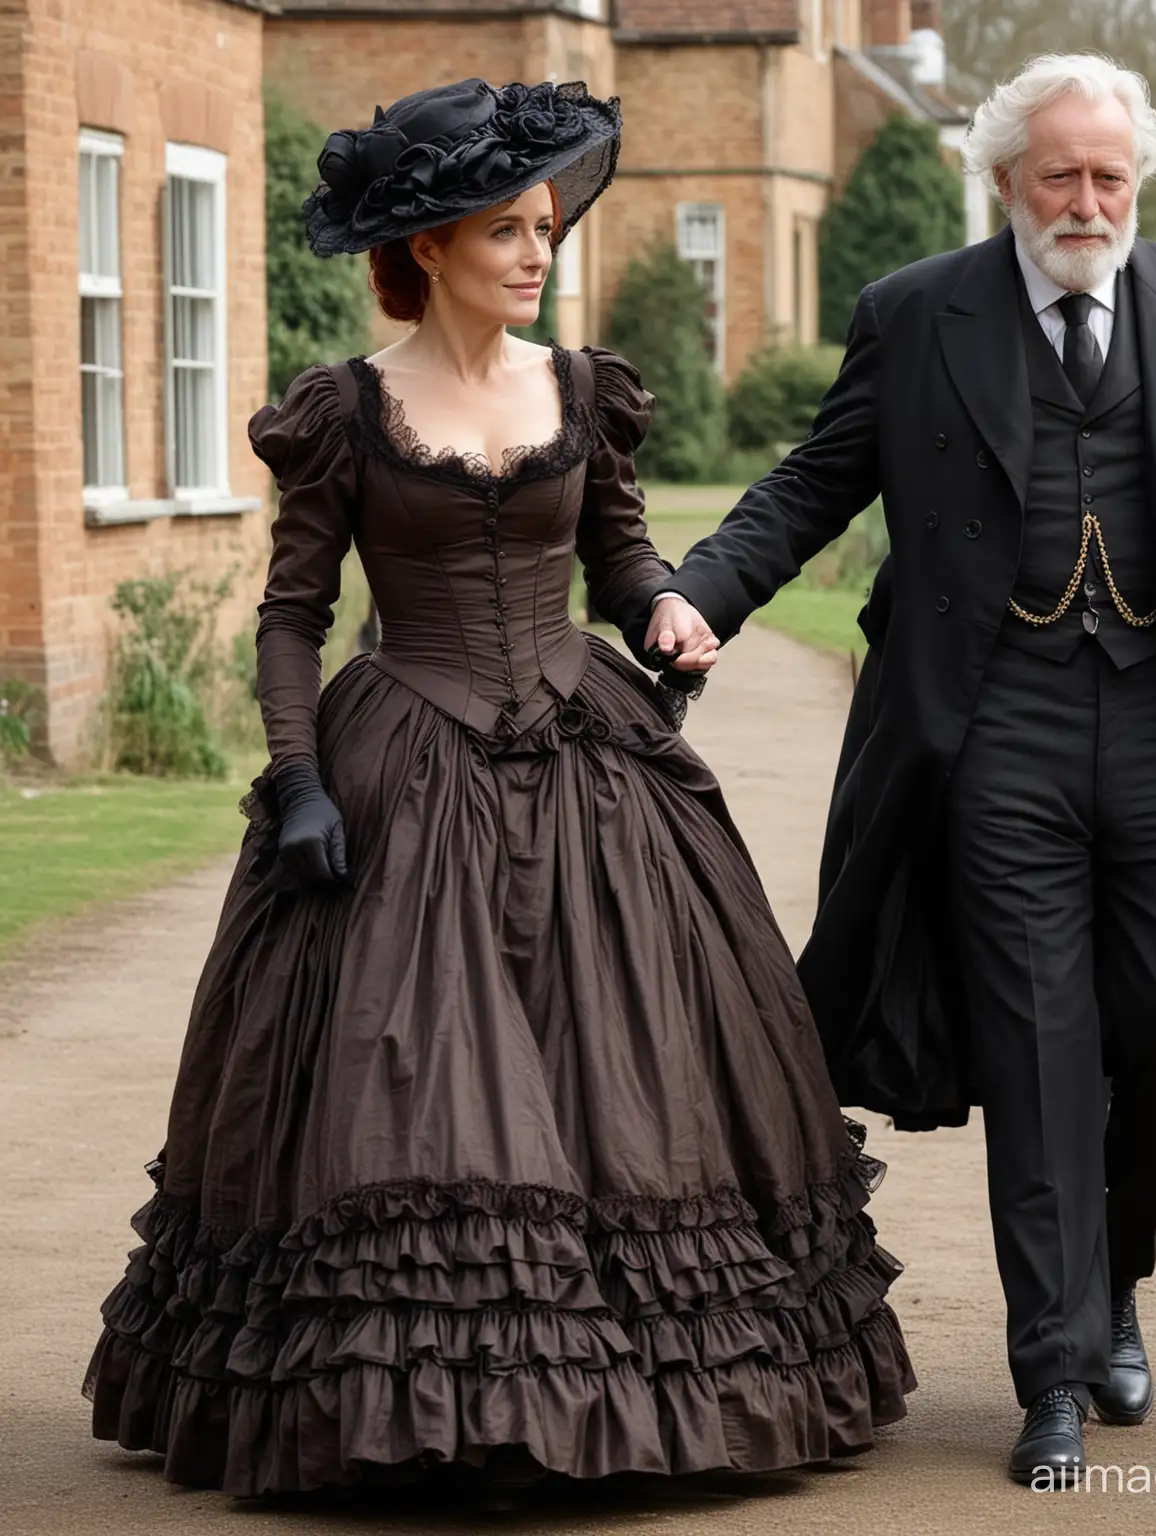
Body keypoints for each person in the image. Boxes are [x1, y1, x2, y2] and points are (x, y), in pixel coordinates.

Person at [84, 79, 913, 1501]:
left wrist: (662, 608)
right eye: (500, 235)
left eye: (541, 230)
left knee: (635, 1074)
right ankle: (435, 1402)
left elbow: (620, 553)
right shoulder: (349, 409)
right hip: (404, 754)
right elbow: (292, 615)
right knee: (416, 1082)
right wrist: (296, 780)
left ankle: (640, 1385)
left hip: (590, 762)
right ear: (427, 253)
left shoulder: (580, 388)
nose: (533, 254)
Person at [646, 54, 1156, 1488]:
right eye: (1058, 173)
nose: (1087, 199)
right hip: (996, 731)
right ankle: (1052, 1368)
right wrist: (704, 592)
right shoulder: (919, 314)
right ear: (1003, 179)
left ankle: (1113, 1274)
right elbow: (814, 483)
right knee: (1038, 1050)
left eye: (1110, 174)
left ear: (1138, 183)